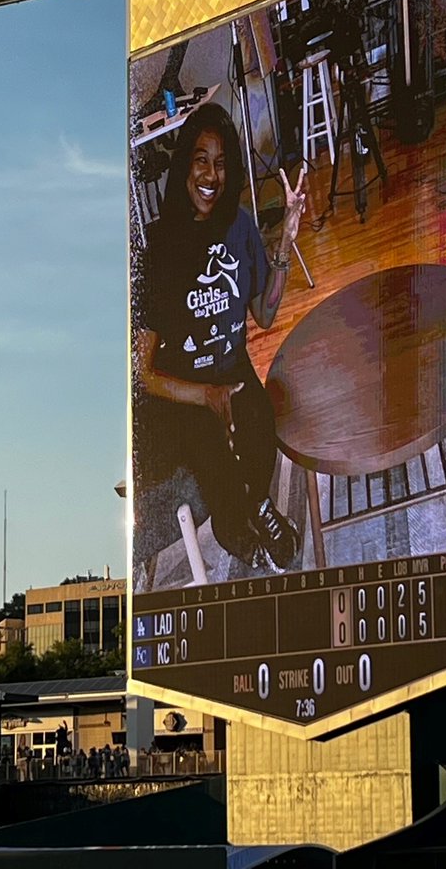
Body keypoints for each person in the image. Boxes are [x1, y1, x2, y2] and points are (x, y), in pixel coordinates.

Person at [134, 102, 305, 573]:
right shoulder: (161, 249)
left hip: (231, 368)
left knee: (260, 428)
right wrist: (205, 395)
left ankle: (260, 510)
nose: (212, 174)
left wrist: (285, 240)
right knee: (214, 463)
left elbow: (265, 316)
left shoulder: (240, 225)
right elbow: (144, 374)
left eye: (222, 162)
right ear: (185, 165)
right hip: (184, 387)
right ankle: (240, 533)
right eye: (201, 159)